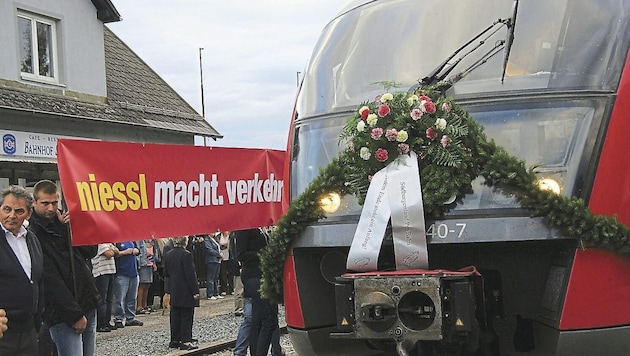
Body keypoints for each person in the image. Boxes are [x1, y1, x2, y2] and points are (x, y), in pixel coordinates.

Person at [29, 180, 101, 356]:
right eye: (45, 203)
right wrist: (74, 314)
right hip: (63, 312)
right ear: (34, 202)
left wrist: (75, 227)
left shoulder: (62, 224)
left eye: (54, 203)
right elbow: (50, 281)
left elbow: (90, 251)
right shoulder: (33, 235)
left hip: (86, 300)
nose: (51, 208)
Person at [0, 185, 43, 356]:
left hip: (29, 333)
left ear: (28, 214)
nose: (12, 216)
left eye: (18, 211)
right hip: (3, 333)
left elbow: (39, 280)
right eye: (7, 209)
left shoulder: (32, 239)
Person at [234, 228, 283, 356]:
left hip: (262, 274)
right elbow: (241, 254)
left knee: (260, 319)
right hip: (253, 276)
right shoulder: (245, 229)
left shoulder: (259, 228)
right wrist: (263, 253)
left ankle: (265, 351)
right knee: (265, 318)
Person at [163, 236, 200, 351]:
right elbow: (190, 274)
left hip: (174, 287)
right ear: (185, 241)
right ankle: (186, 340)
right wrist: (195, 291)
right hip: (185, 289)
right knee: (186, 315)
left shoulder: (168, 254)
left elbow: (166, 273)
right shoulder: (186, 255)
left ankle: (175, 339)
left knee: (175, 314)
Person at [112, 241, 143, 328]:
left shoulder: (131, 240)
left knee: (132, 297)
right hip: (121, 272)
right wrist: (124, 252)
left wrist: (136, 251)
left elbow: (138, 250)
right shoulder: (116, 241)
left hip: (133, 272)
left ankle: (130, 318)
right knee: (120, 298)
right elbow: (114, 255)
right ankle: (118, 318)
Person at [91, 243, 118, 333]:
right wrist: (112, 250)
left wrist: (112, 250)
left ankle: (107, 321)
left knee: (109, 299)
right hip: (101, 273)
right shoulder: (100, 243)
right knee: (102, 299)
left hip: (110, 271)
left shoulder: (108, 243)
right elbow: (109, 254)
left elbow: (116, 251)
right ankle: (100, 324)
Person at [136, 239, 156, 314]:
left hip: (150, 262)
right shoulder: (139, 239)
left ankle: (145, 305)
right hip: (143, 263)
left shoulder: (150, 238)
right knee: (142, 284)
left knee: (147, 284)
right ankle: (139, 306)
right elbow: (139, 250)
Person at [200, 233, 222, 300]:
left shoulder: (214, 239)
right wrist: (218, 254)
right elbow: (209, 250)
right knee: (211, 277)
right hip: (211, 260)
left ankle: (216, 293)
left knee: (216, 277)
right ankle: (210, 294)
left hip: (217, 260)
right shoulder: (206, 240)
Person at [218, 231, 234, 295]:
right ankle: (223, 289)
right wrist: (224, 245)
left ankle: (231, 289)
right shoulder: (218, 237)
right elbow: (218, 245)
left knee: (231, 274)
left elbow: (231, 245)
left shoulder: (231, 236)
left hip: (230, 256)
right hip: (222, 256)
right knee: (223, 273)